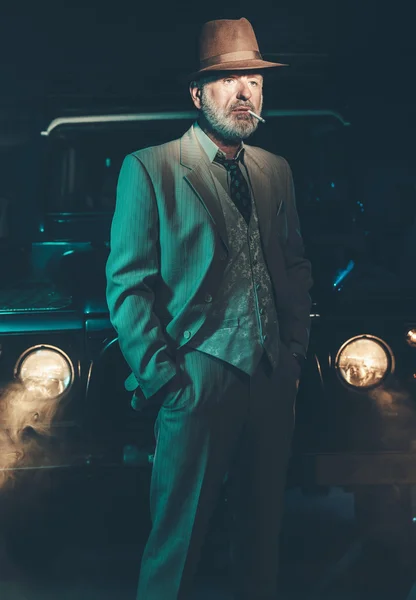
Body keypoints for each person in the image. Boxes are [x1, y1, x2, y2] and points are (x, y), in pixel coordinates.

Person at [106, 17, 313, 600]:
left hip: (271, 377)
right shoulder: (151, 167)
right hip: (194, 380)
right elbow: (127, 286)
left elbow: (294, 267)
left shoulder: (276, 171)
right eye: (229, 80)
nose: (245, 91)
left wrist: (294, 354)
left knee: (260, 544)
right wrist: (167, 380)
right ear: (198, 94)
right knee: (178, 546)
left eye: (253, 79)